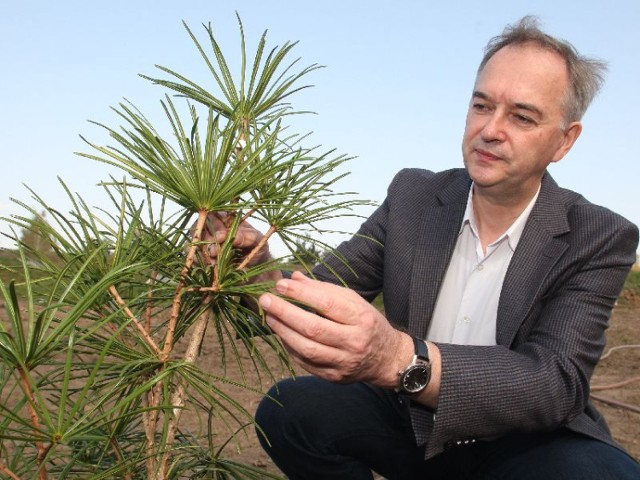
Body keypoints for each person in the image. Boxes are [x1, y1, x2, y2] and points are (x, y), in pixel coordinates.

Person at [208, 16, 640, 479]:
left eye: (521, 116)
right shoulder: (414, 197)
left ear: (565, 140)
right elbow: (320, 293)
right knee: (289, 411)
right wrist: (253, 268)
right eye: (481, 105)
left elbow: (554, 383)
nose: (490, 129)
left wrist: (397, 357)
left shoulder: (598, 235)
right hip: (412, 424)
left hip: (524, 442)